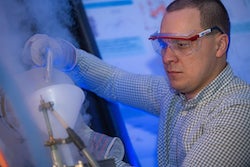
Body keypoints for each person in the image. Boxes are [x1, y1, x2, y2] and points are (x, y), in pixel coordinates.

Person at [22, 0, 250, 166]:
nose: (167, 57)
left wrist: (88, 149)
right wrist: (67, 55)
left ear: (220, 46)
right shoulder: (175, 94)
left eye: (182, 44)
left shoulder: (237, 111)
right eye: (163, 44)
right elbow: (113, 81)